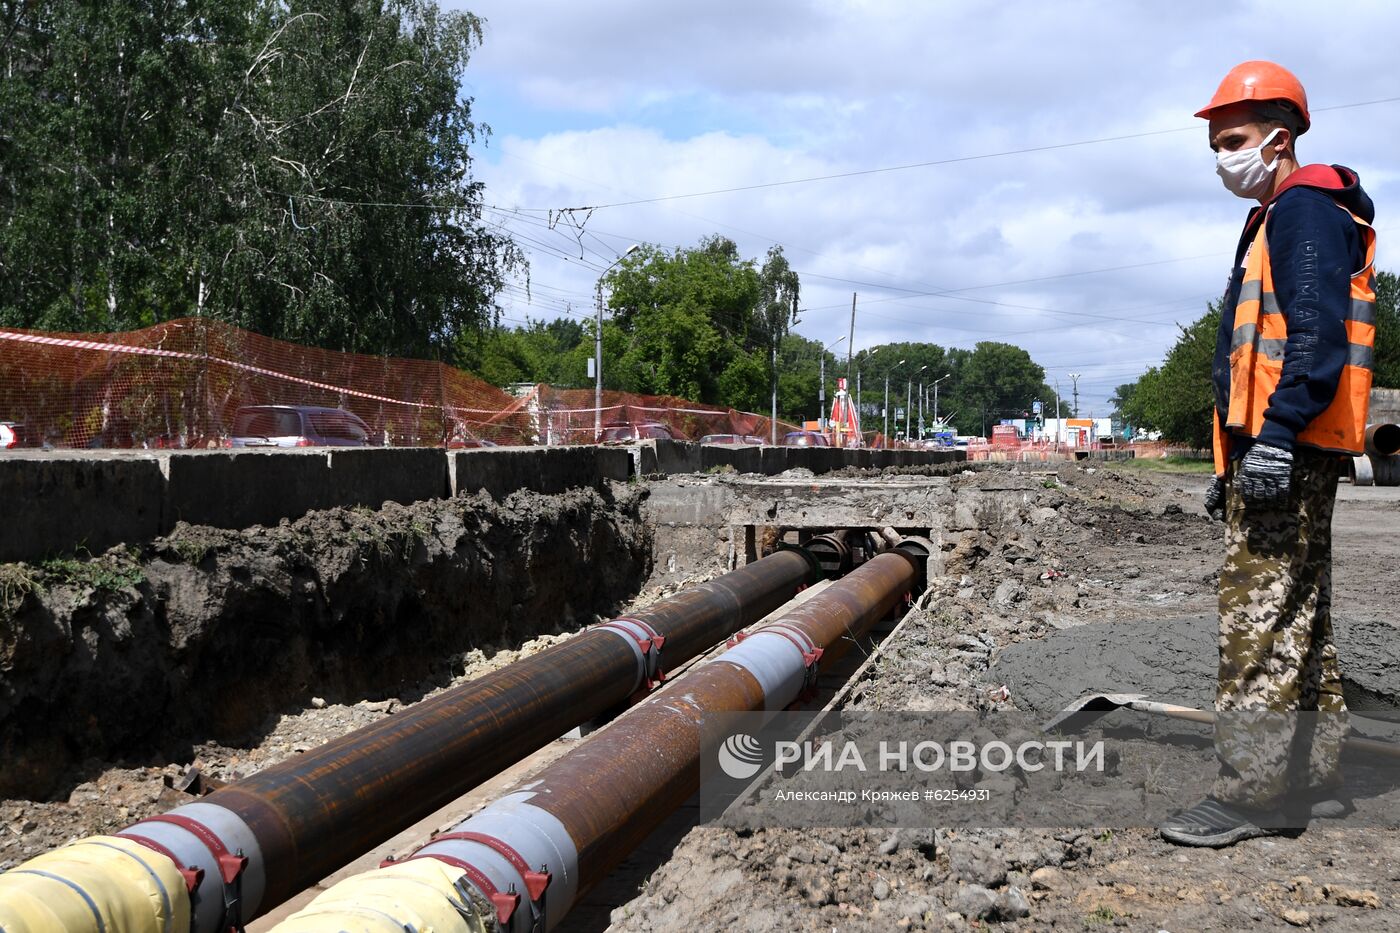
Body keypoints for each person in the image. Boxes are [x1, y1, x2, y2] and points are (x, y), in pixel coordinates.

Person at [1159, 61, 1377, 848]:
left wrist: (1276, 439)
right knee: (1299, 614)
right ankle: (1312, 778)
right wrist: (1235, 463)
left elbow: (1313, 337)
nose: (1223, 157)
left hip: (1290, 444)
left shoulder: (1302, 213)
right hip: (1289, 447)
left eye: (1235, 140)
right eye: (1217, 144)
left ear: (1279, 139)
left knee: (1257, 620)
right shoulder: (1289, 214)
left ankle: (1252, 796)